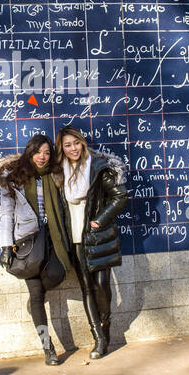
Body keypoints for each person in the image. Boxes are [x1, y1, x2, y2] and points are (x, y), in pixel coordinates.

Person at [50, 126, 128, 359]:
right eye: (67, 145)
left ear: (82, 143)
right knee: (86, 287)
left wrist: (99, 221)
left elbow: (119, 197)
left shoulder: (98, 166)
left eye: (76, 143)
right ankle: (99, 338)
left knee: (102, 284)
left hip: (96, 235)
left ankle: (106, 325)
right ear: (61, 148)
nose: (73, 148)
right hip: (73, 237)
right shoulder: (57, 172)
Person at [0, 134, 66, 365]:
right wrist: (6, 247)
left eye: (46, 152)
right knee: (36, 294)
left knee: (58, 273)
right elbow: (6, 214)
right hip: (28, 240)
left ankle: (35, 302)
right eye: (38, 152)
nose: (42, 157)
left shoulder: (56, 175)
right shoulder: (15, 178)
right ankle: (48, 348)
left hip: (54, 237)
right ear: (29, 152)